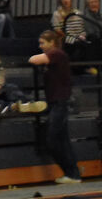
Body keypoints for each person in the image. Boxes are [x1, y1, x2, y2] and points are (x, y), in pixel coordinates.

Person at [27, 29, 81, 182]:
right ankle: (72, 173)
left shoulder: (57, 54)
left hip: (60, 102)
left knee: (53, 139)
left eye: (43, 43)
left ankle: (71, 172)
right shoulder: (55, 57)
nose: (40, 46)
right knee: (62, 139)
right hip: (55, 102)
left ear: (52, 43)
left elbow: (34, 60)